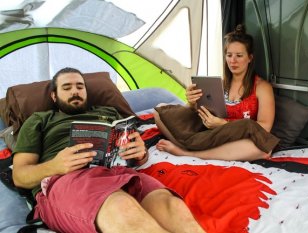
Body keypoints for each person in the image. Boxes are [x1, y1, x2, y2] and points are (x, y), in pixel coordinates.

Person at [12, 67, 205, 233]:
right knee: (122, 207)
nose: (75, 91)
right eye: (67, 87)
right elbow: (19, 176)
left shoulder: (108, 112)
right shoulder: (40, 119)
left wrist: (140, 153)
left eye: (80, 86)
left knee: (173, 207)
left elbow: (133, 149)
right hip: (66, 179)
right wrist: (55, 165)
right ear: (54, 96)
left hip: (119, 172)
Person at [154, 24, 277, 161]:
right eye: (229, 55)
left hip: (235, 139)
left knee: (262, 149)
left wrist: (223, 124)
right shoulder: (218, 84)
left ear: (250, 58)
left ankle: (187, 153)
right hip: (209, 134)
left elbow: (264, 128)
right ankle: (188, 146)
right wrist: (191, 103)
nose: (232, 60)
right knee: (160, 111)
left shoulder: (262, 87)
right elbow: (199, 113)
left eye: (239, 55)